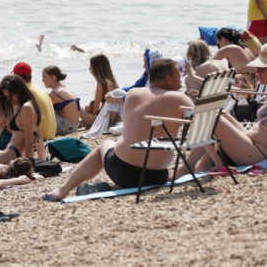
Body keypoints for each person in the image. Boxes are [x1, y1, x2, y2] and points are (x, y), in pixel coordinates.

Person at [43, 59, 193, 200]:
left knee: (105, 145)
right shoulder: (181, 99)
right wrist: (195, 165)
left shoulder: (133, 94)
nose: (181, 81)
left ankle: (63, 190)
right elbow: (210, 124)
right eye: (178, 77)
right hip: (158, 175)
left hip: (124, 171)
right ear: (168, 79)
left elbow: (130, 132)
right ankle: (109, 187)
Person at [180, 43, 267, 175]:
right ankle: (202, 166)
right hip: (251, 142)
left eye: (261, 69)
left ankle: (190, 166)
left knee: (212, 117)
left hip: (256, 153)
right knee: (219, 111)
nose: (256, 72)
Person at [12, 62, 56, 143]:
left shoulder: (24, 91)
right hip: (51, 134)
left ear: (17, 77)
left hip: (40, 137)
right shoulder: (36, 87)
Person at [80, 54, 120, 128]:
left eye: (91, 66)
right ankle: (86, 124)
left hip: (103, 121)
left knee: (77, 104)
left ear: (96, 68)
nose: (89, 68)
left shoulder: (101, 84)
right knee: (82, 122)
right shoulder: (112, 82)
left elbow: (95, 111)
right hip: (112, 119)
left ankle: (88, 123)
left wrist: (89, 109)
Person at [42, 65, 80, 136]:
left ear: (53, 77)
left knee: (41, 114)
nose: (42, 80)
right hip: (73, 126)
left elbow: (44, 110)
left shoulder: (55, 93)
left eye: (44, 77)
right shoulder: (63, 88)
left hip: (67, 127)